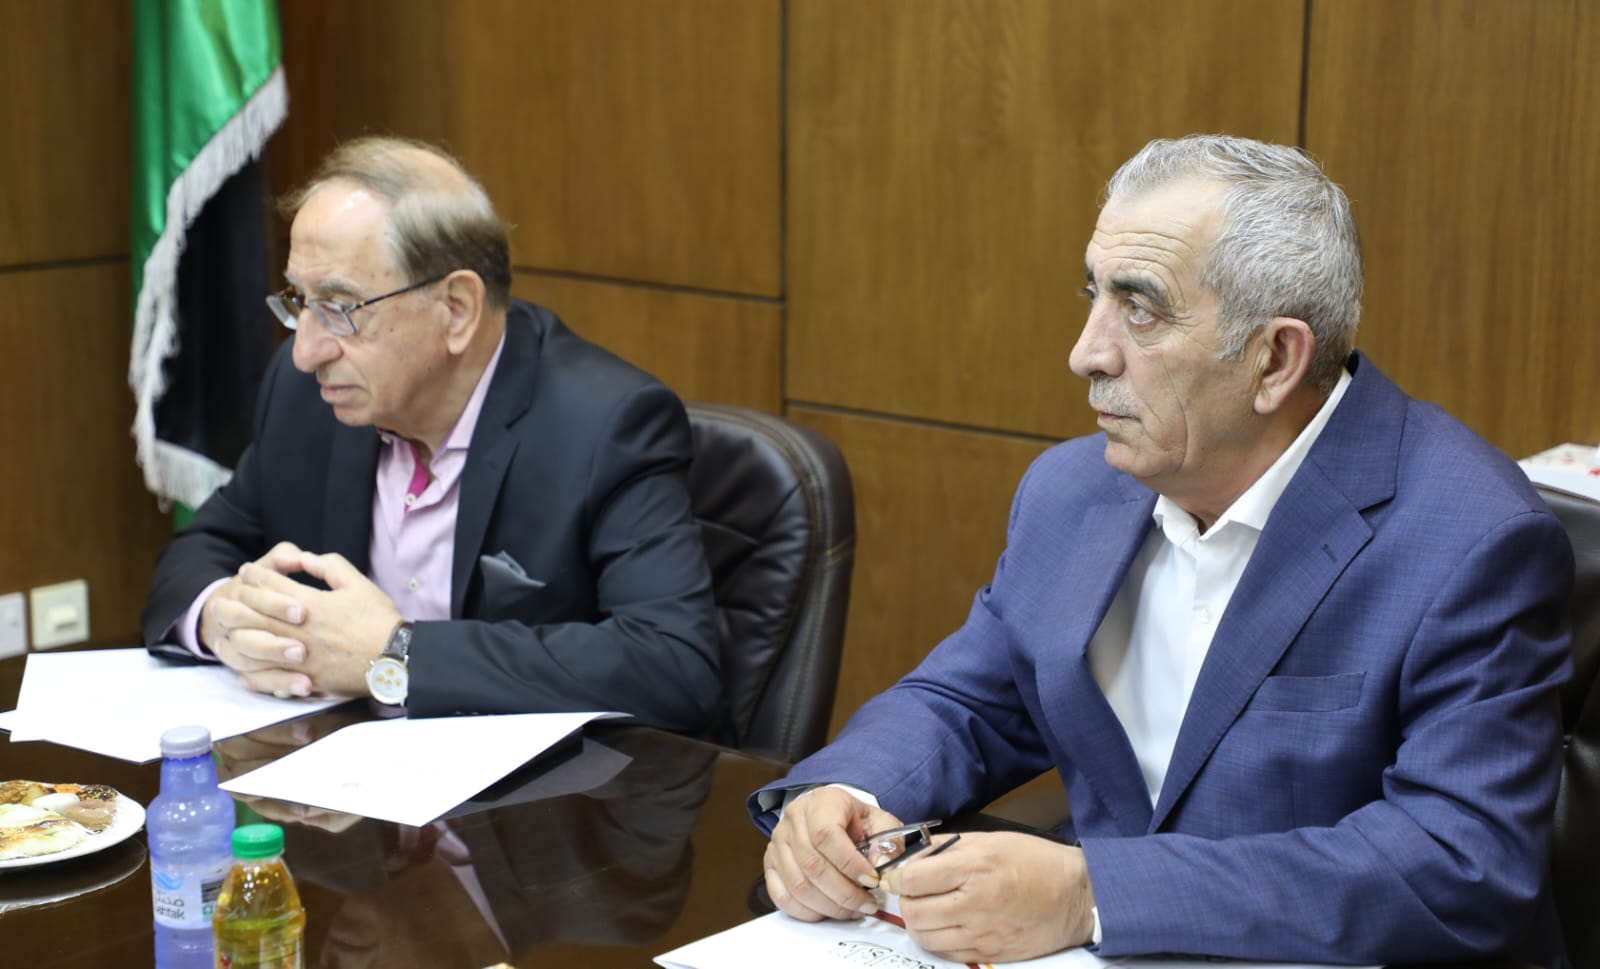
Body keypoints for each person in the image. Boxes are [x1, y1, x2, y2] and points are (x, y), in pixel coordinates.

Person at [750, 134, 1573, 967]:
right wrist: (843, 794)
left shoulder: (1471, 539)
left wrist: (1094, 894)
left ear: (1274, 359)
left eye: (1139, 308)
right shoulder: (1074, 490)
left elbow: (1459, 862)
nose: (1086, 353)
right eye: (1094, 294)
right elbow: (972, 700)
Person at [141, 136, 720, 732]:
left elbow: (673, 666)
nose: (305, 352)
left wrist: (398, 655)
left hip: (531, 786)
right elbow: (201, 548)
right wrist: (223, 619)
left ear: (457, 309)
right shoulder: (306, 397)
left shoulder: (604, 425)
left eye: (339, 307)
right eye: (300, 301)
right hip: (340, 770)